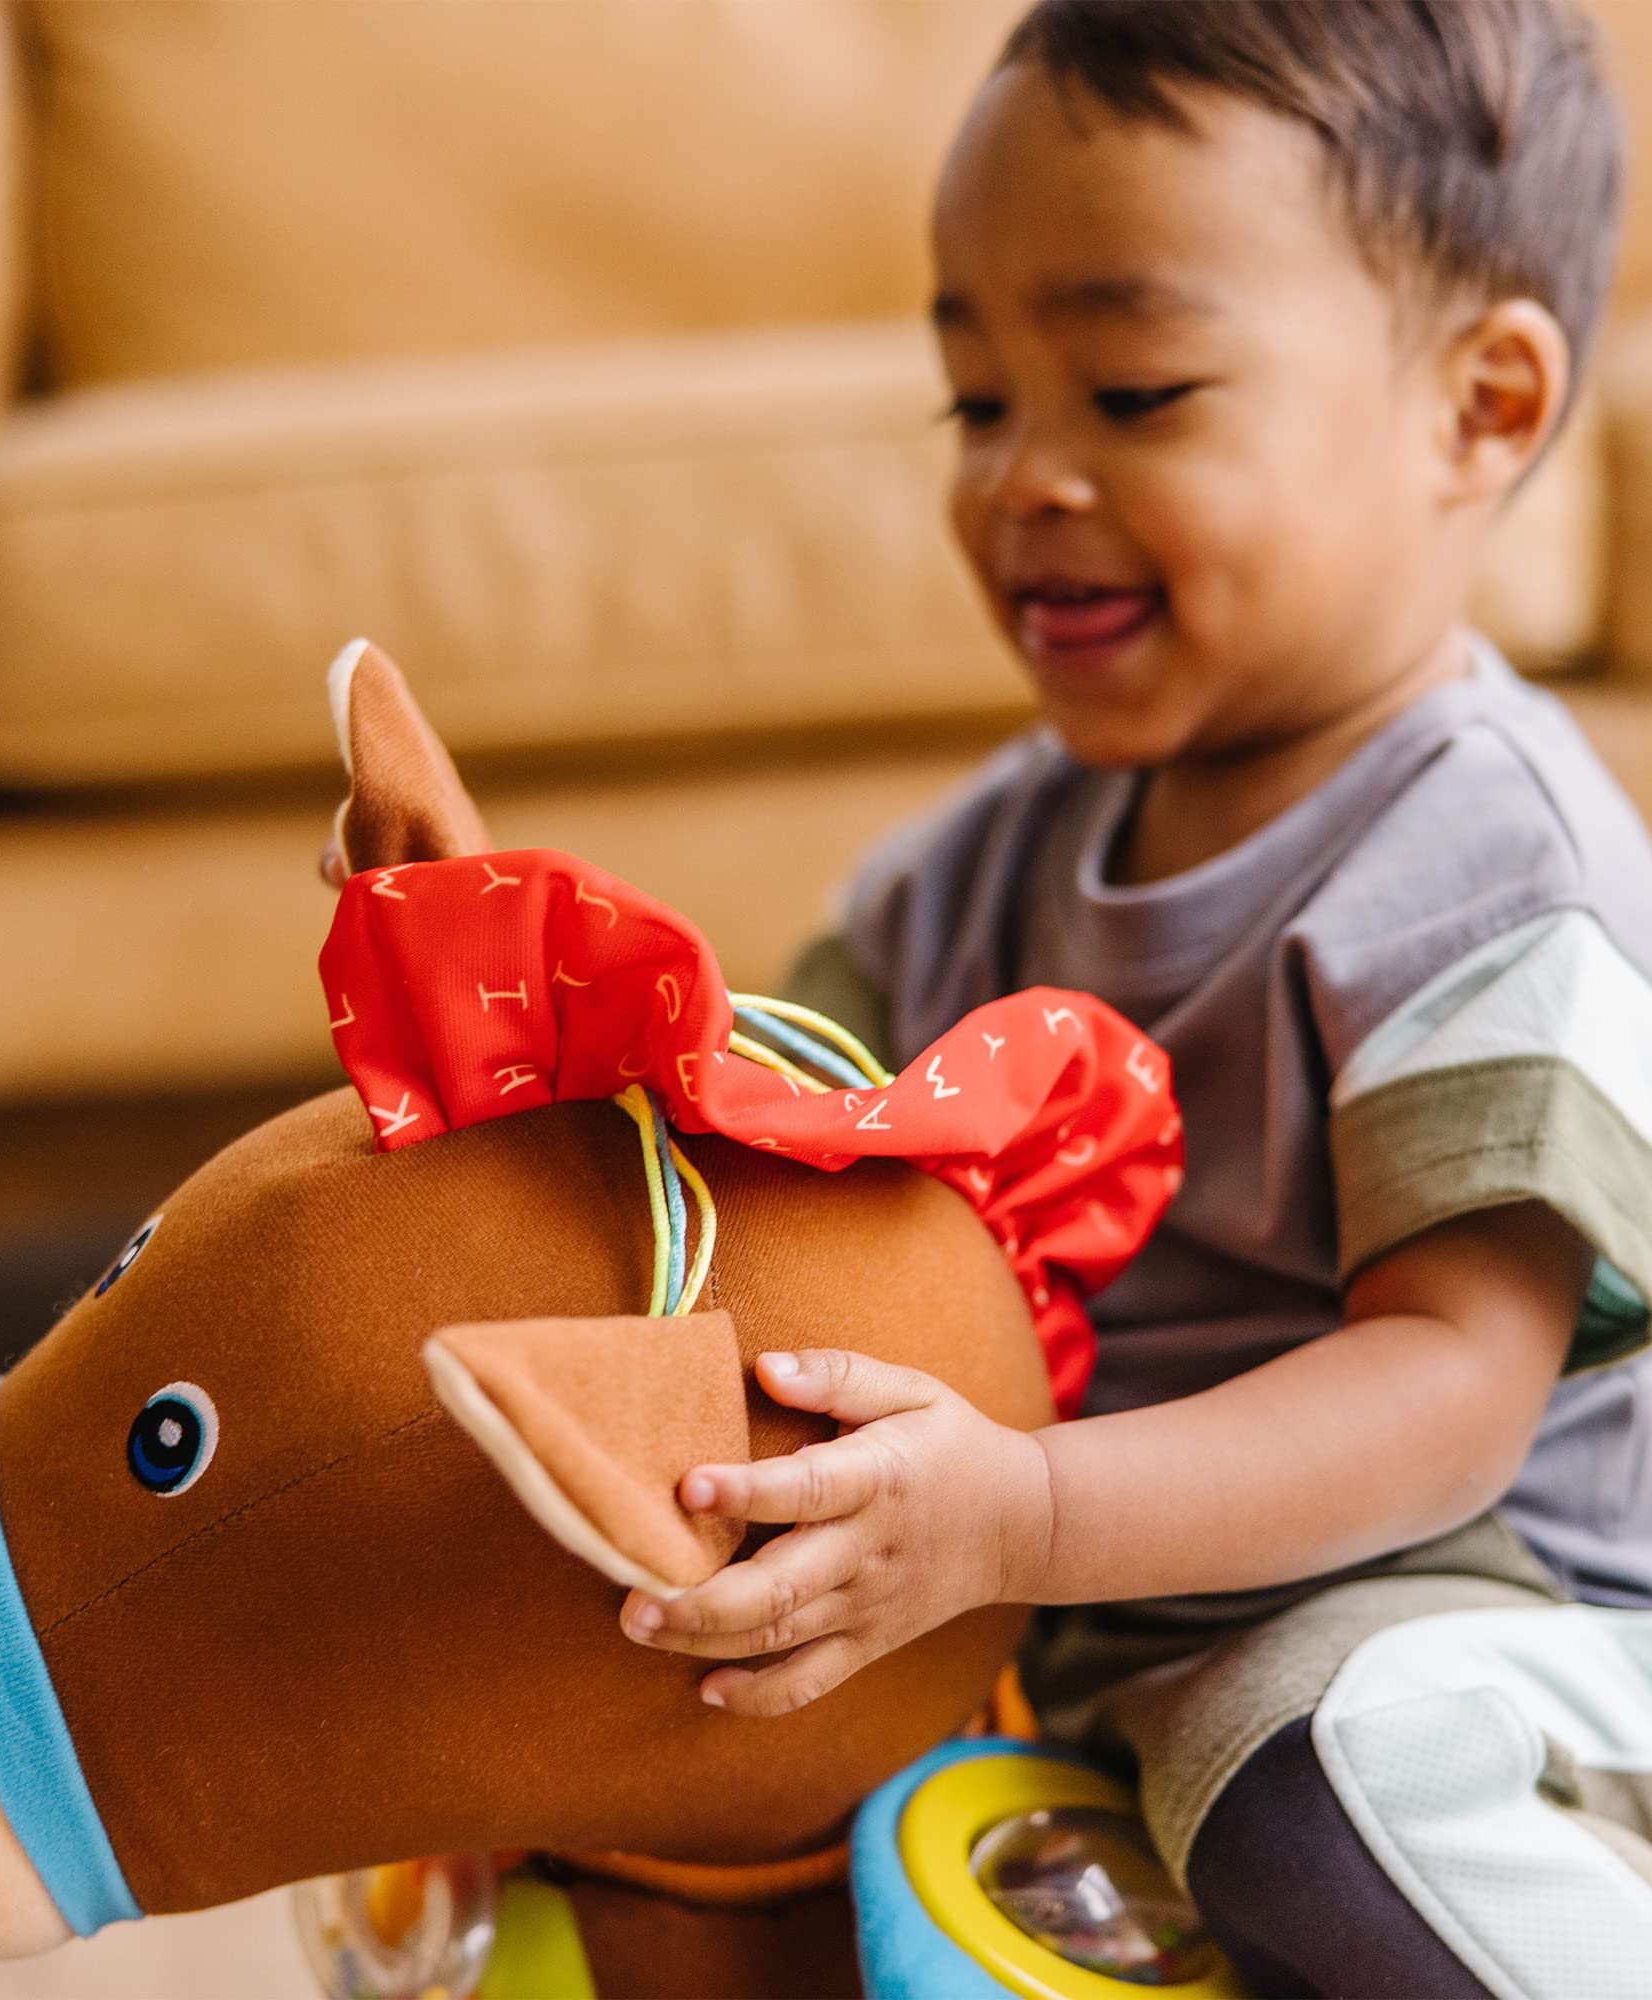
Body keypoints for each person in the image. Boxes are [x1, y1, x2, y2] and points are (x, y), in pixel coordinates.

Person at [618, 4, 1652, 1991]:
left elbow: (1445, 1397)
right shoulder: (983, 861)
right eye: (975, 401)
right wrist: (499, 983)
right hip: (1099, 1635)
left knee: (1316, 1782)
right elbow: (739, 1121)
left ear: (1482, 407)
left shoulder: (1489, 864)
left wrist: (1019, 1515)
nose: (1024, 477)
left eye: (1134, 390)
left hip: (1487, 1634)